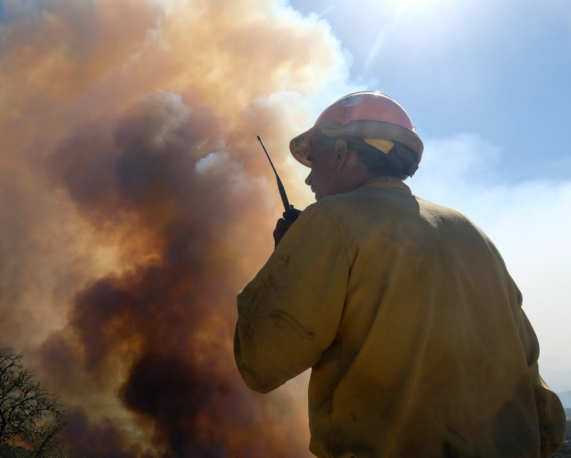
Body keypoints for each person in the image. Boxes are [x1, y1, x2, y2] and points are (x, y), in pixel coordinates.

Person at [233, 92, 566, 458]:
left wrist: (284, 263)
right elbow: (547, 421)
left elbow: (260, 362)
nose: (310, 179)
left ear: (341, 152)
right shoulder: (473, 233)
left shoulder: (330, 221)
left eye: (316, 159)